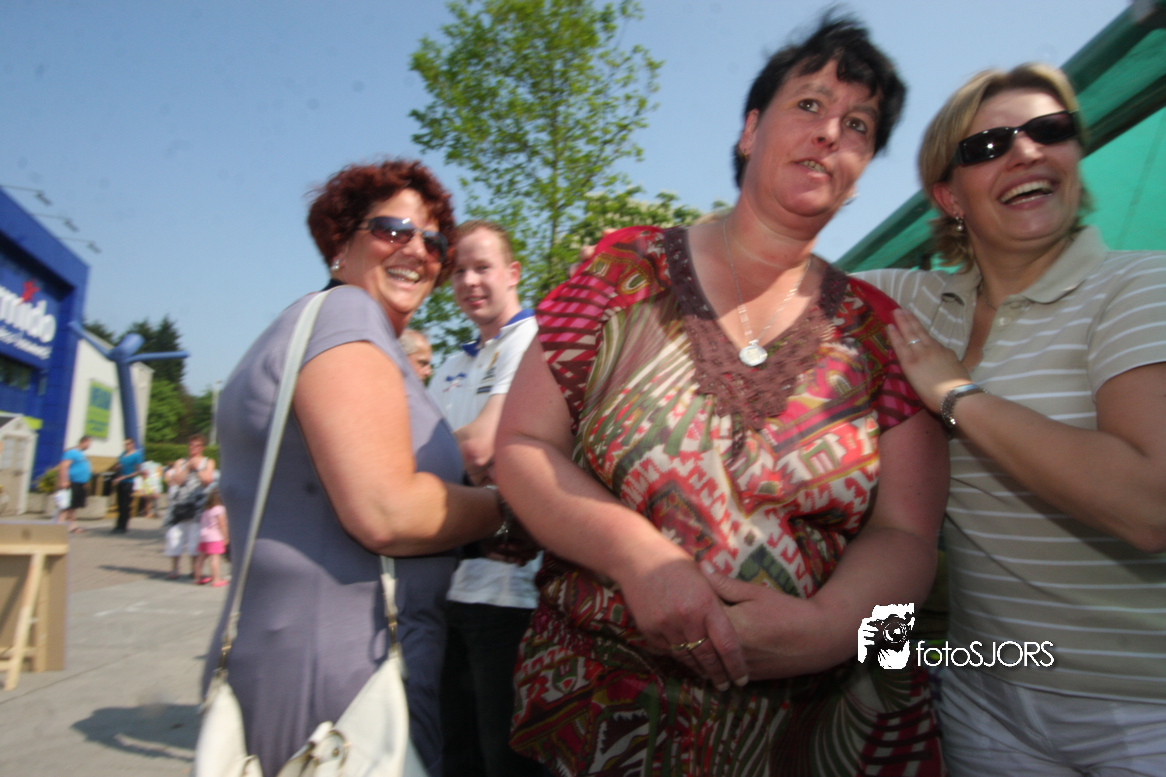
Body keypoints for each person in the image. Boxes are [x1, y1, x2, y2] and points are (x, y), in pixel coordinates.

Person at [494, 15, 948, 777]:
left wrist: (831, 627)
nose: (830, 132)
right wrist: (638, 558)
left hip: (812, 735)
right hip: (604, 718)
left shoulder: (880, 334)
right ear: (749, 129)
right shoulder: (620, 274)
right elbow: (522, 444)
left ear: (863, 167)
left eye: (858, 125)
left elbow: (906, 532)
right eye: (809, 104)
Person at [860, 63, 1166, 776]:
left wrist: (957, 395)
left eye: (1049, 130)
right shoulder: (913, 302)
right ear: (948, 195)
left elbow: (1150, 507)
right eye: (988, 145)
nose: (1027, 151)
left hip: (1142, 703)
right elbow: (770, 277)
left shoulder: (1140, 283)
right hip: (982, 695)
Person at [202, 159, 505, 777]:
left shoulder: (337, 333)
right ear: (340, 243)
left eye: (433, 242)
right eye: (393, 230)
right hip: (340, 685)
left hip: (315, 661)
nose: (417, 250)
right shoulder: (347, 316)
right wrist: (505, 512)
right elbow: (385, 510)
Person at [428, 221, 544, 777]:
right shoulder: (452, 365)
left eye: (482, 267)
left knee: (507, 761)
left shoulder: (531, 340)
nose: (469, 281)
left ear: (513, 273)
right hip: (449, 588)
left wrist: (437, 470)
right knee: (454, 755)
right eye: (459, 271)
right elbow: (422, 458)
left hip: (513, 595)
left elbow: (479, 447)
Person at [164, 434, 216, 580]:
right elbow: (178, 480)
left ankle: (195, 569)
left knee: (195, 538)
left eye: (197, 446)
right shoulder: (180, 462)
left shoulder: (208, 462)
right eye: (191, 445)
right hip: (179, 506)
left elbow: (208, 480)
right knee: (174, 538)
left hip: (197, 507)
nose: (193, 448)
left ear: (202, 447)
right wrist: (187, 467)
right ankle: (175, 569)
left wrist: (197, 469)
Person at [56, 435, 92, 534]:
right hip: (71, 483)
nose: (89, 446)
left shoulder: (81, 454)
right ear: (83, 441)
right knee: (66, 507)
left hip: (80, 484)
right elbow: (64, 466)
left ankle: (72, 527)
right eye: (89, 443)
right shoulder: (71, 453)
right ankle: (58, 527)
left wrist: (85, 482)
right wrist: (64, 480)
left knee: (73, 507)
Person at [194, 488, 229, 587]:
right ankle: (216, 580)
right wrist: (225, 537)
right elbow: (222, 524)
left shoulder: (207, 510)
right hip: (215, 536)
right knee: (215, 558)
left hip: (204, 536)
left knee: (201, 558)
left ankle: (197, 578)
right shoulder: (220, 509)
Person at [111, 437, 145, 533]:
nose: (126, 446)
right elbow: (119, 465)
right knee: (120, 504)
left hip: (129, 483)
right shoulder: (123, 454)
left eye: (127, 444)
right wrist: (117, 467)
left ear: (132, 444)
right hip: (121, 482)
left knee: (126, 505)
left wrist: (126, 476)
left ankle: (123, 526)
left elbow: (138, 471)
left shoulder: (136, 455)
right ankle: (118, 525)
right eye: (125, 444)